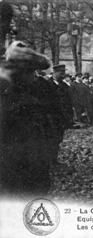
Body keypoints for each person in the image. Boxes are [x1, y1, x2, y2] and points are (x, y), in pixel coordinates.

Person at [0, 41, 62, 195]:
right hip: (17, 178)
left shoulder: (25, 98)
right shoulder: (18, 104)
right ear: (21, 73)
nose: (34, 77)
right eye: (31, 72)